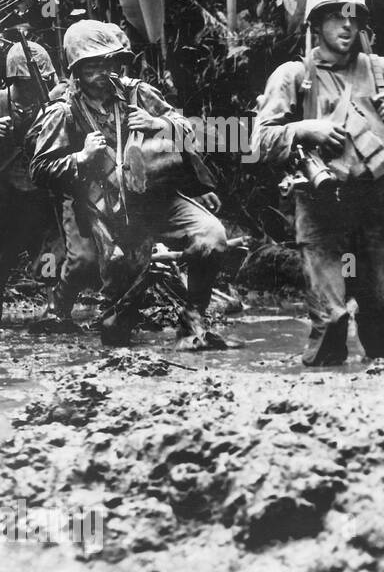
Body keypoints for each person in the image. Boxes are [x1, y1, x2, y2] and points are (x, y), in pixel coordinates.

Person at [251, 0, 384, 366]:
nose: (347, 25)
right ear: (316, 24)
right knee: (331, 321)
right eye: (336, 17)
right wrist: (304, 128)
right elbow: (259, 143)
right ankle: (322, 399)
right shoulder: (294, 76)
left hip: (375, 209)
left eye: (353, 18)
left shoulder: (381, 71)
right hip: (321, 207)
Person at [29, 20, 229, 347]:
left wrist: (158, 122)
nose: (103, 72)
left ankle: (194, 316)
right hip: (96, 205)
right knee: (97, 286)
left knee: (212, 237)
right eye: (93, 65)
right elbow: (40, 169)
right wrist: (81, 157)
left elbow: (192, 132)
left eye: (109, 62)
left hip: (152, 196)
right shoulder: (64, 110)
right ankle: (64, 310)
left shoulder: (138, 92)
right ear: (76, 70)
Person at [0, 40, 64, 325]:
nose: (32, 87)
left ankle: (53, 307)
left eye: (39, 81)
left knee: (49, 252)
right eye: (24, 82)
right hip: (5, 194)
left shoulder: (52, 104)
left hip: (40, 191)